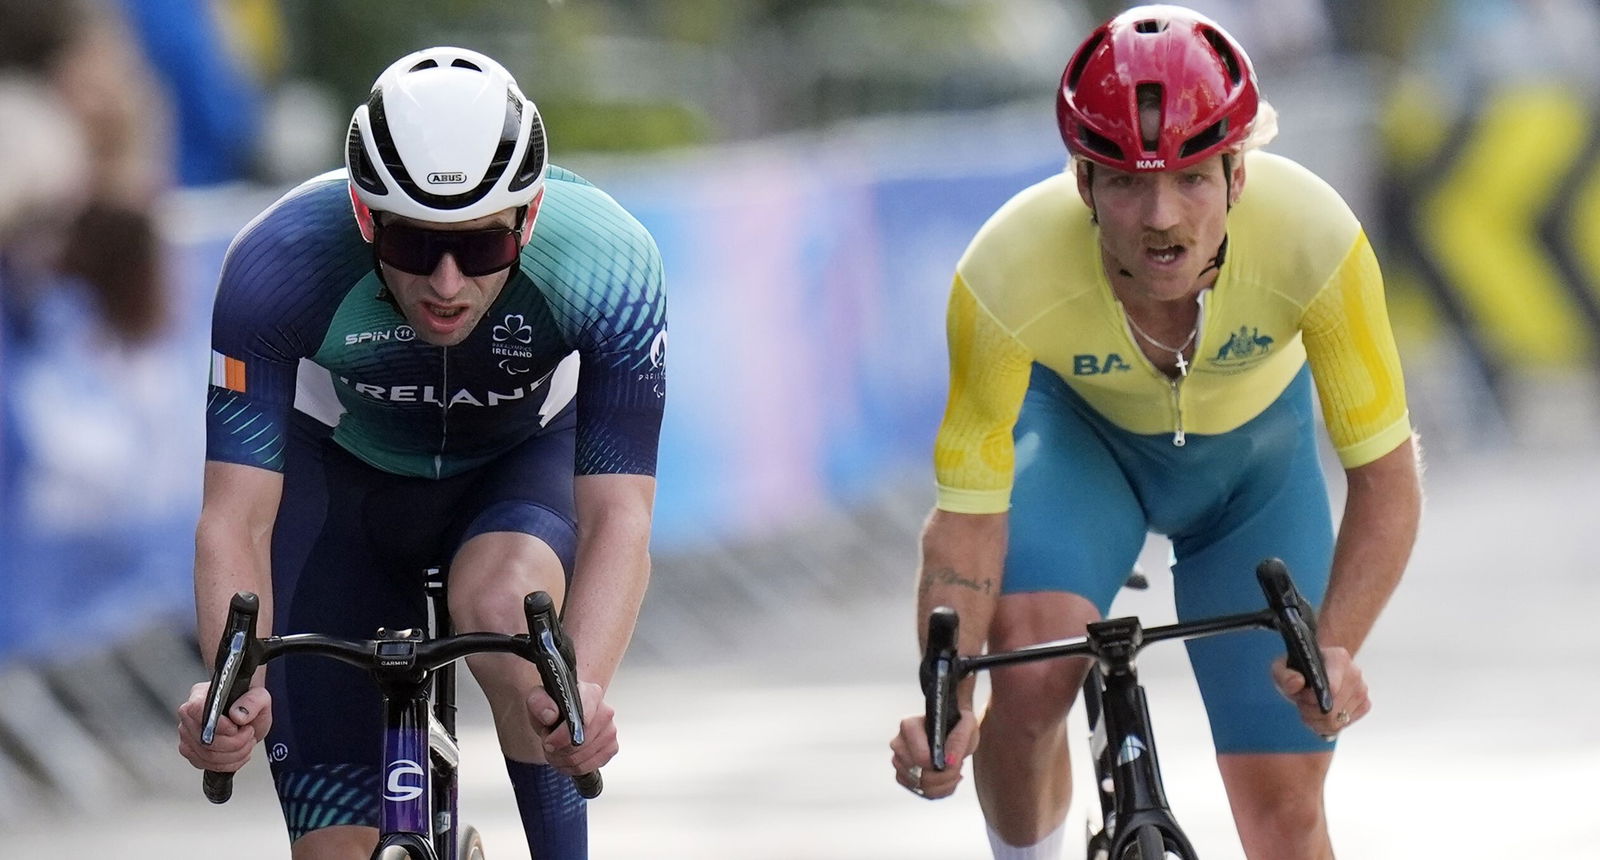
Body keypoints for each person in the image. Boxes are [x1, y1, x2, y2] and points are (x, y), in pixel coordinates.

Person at [889, 6, 1420, 859]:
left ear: (1239, 174)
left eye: (1192, 179)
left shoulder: (1317, 238)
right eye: (1127, 183)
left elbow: (1387, 479)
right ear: (1083, 183)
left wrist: (1336, 652)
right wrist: (945, 700)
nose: (1161, 215)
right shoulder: (1004, 270)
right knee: (1027, 677)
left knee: (1285, 808)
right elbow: (966, 517)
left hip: (1255, 475)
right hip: (1084, 457)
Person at [174, 46, 666, 859]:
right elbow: (235, 516)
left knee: (508, 613)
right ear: (365, 218)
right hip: (342, 486)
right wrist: (232, 687)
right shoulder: (278, 260)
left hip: (514, 473)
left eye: (479, 249)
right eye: (411, 245)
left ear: (528, 220)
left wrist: (581, 693)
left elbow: (619, 516)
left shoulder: (608, 261)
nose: (445, 282)